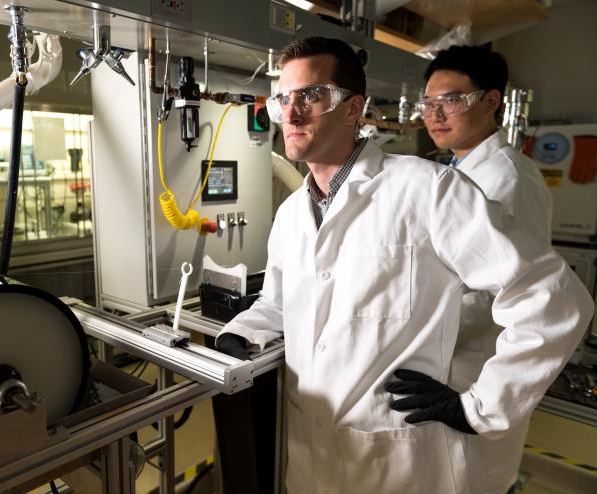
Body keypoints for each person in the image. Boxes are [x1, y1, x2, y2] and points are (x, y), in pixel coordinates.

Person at [215, 36, 594, 494]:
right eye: (283, 98)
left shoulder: (429, 190)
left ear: (354, 109)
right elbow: (278, 302)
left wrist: (479, 407)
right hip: (311, 455)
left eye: (311, 96)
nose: (291, 115)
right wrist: (241, 331)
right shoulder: (293, 213)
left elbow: (554, 299)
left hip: (397, 460)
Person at [418, 45, 553, 494]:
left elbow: (525, 296)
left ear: (491, 101)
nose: (435, 115)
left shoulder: (506, 180)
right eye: (428, 103)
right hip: (451, 372)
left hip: (476, 380)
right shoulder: (462, 169)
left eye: (451, 100)